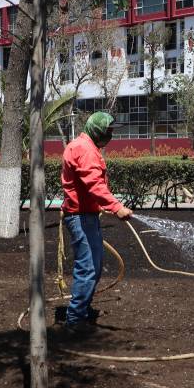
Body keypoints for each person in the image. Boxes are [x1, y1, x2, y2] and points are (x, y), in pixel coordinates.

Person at [61, 112, 134, 334]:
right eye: (108, 131)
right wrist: (116, 207)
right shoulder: (84, 149)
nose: (110, 135)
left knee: (94, 266)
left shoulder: (86, 146)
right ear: (97, 130)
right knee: (88, 268)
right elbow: (94, 185)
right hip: (80, 217)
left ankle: (81, 311)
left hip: (86, 216)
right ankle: (74, 321)